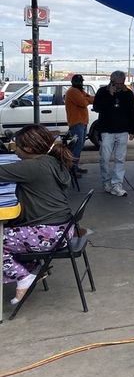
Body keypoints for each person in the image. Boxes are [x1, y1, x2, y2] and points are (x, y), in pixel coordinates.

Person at [1, 125, 73, 305]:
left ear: (29, 149)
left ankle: (24, 276)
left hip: (46, 235)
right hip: (62, 231)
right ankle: (34, 269)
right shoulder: (51, 161)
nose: (14, 149)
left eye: (16, 145)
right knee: (9, 229)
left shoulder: (33, 167)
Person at [93, 71, 134, 197]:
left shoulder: (127, 93)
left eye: (121, 83)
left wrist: (132, 130)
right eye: (116, 83)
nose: (119, 86)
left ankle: (117, 184)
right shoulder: (102, 92)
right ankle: (106, 182)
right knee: (105, 159)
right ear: (111, 81)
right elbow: (97, 108)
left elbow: (132, 112)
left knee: (120, 159)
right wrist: (110, 95)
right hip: (107, 131)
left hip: (122, 131)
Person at [64, 74, 94, 176]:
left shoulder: (79, 91)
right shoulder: (73, 91)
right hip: (76, 123)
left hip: (82, 122)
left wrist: (87, 98)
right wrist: (86, 99)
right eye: (78, 81)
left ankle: (75, 167)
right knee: (76, 146)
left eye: (80, 81)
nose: (80, 83)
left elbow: (90, 99)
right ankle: (72, 169)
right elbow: (83, 103)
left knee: (79, 146)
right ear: (73, 82)